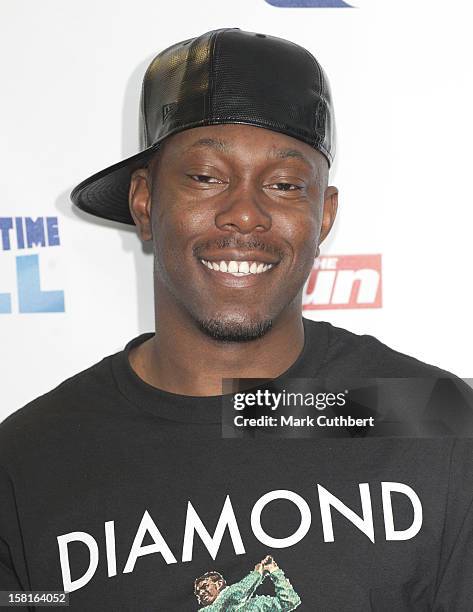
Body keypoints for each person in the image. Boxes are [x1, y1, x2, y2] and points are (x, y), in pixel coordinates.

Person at [1, 27, 472, 611]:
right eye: (206, 177)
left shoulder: (430, 416)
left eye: (283, 184)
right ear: (144, 203)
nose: (245, 214)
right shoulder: (28, 466)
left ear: (323, 215)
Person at [194, 555, 301, 610]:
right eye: (198, 593)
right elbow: (234, 594)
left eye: (205, 586)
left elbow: (290, 601)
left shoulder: (257, 605)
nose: (201, 593)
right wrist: (256, 574)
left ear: (219, 584)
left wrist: (274, 570)